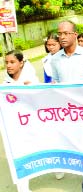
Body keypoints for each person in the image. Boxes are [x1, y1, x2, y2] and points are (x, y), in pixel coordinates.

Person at [50, 20, 83, 192]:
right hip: (68, 113)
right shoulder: (55, 60)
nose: (62, 37)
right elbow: (55, 82)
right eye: (60, 33)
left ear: (75, 35)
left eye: (65, 33)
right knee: (78, 149)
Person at [3, 50, 38, 192]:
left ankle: (55, 169)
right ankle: (23, 188)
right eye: (6, 62)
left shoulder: (31, 80)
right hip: (16, 128)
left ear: (21, 63)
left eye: (12, 62)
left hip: (35, 125)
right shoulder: (5, 84)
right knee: (20, 154)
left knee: (40, 150)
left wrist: (34, 89)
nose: (9, 65)